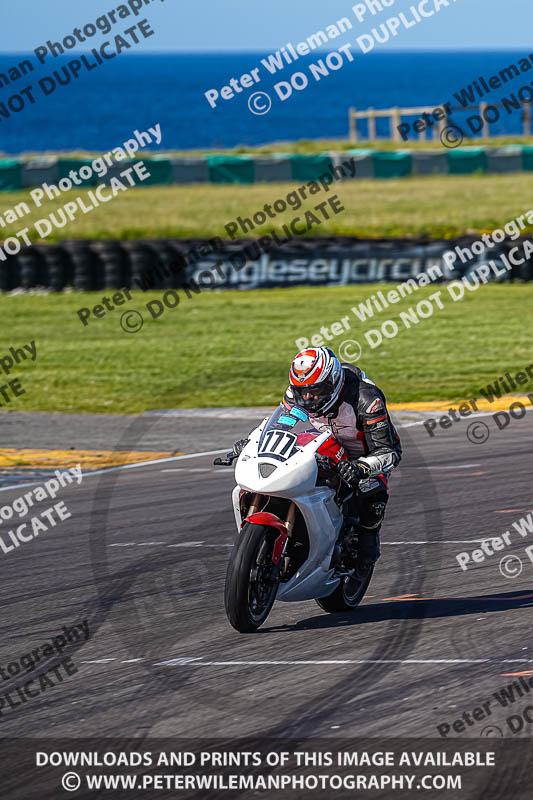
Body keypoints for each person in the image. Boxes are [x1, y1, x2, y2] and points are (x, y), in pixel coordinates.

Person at [233, 347, 402, 577]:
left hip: (363, 453)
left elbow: (389, 452)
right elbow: (279, 423)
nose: (308, 398)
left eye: (315, 391)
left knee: (371, 491)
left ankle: (367, 546)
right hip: (322, 442)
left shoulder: (367, 400)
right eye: (302, 391)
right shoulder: (295, 393)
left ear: (333, 383)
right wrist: (253, 442)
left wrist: (361, 467)